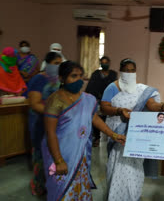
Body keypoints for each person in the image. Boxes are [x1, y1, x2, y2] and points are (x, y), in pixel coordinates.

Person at [41, 61, 125, 201]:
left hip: (80, 155)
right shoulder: (54, 100)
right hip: (61, 153)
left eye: (81, 76)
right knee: (61, 189)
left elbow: (94, 118)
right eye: (73, 76)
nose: (79, 80)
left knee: (80, 186)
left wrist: (113, 135)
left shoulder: (88, 99)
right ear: (62, 78)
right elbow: (50, 133)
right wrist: (59, 160)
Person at [100, 58, 164, 201]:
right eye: (126, 70)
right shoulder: (112, 87)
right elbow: (104, 107)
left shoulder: (142, 90)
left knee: (134, 169)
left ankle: (132, 196)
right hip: (117, 134)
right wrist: (118, 110)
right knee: (116, 167)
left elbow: (152, 104)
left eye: (132, 70)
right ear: (120, 71)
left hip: (136, 137)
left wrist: (161, 107)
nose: (129, 73)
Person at [27, 52, 62, 196]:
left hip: (56, 124)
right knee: (40, 157)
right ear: (47, 64)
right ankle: (38, 185)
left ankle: (51, 184)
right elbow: (35, 104)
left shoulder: (60, 80)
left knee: (53, 156)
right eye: (55, 63)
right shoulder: (38, 79)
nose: (58, 66)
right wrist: (53, 113)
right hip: (40, 123)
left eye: (60, 63)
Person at [85, 56, 117, 147]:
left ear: (109, 63)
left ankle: (111, 136)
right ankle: (97, 137)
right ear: (100, 64)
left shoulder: (113, 74)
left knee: (109, 119)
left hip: (109, 100)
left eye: (106, 62)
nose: (104, 65)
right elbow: (90, 87)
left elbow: (115, 86)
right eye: (103, 63)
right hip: (97, 100)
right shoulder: (95, 74)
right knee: (97, 119)